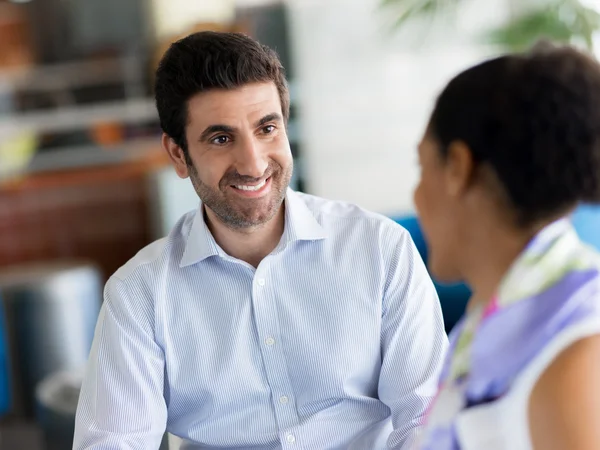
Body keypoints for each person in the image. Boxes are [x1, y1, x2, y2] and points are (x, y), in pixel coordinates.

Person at [73, 31, 447, 449]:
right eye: (220, 138)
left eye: (267, 128)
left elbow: (426, 419)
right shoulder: (140, 294)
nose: (253, 164)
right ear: (178, 155)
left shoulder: (380, 248)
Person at [413, 41, 600, 449]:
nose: (416, 196)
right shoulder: (492, 317)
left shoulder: (579, 349)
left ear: (458, 168)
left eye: (422, 167)